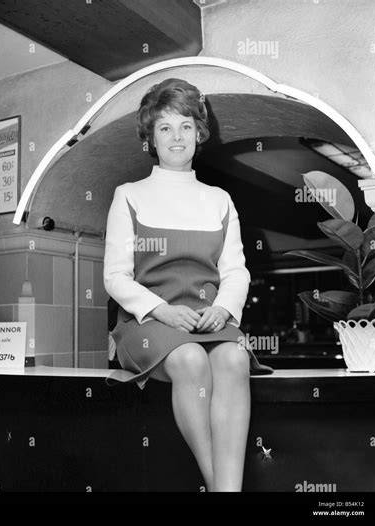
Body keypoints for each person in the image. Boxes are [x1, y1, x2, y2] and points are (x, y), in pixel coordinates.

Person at [103, 78, 272, 492]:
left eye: (184, 126)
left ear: (199, 133)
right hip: (147, 322)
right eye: (164, 128)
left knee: (233, 359)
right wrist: (163, 311)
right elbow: (114, 277)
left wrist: (225, 309)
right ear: (152, 140)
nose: (176, 136)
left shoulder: (219, 199)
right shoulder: (129, 195)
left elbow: (236, 271)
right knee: (192, 360)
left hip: (207, 318)